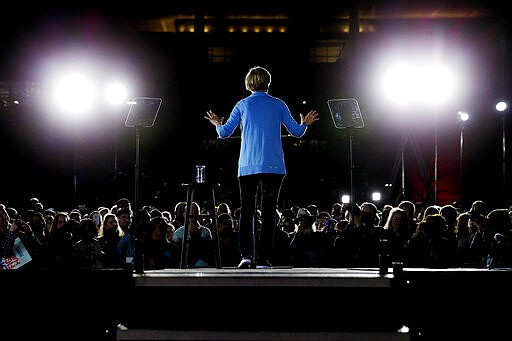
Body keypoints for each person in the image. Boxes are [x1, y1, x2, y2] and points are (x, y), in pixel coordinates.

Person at [205, 65, 319, 268]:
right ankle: (264, 258)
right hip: (274, 166)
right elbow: (297, 132)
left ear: (248, 83)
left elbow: (224, 133)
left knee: (247, 212)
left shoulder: (242, 104)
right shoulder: (278, 104)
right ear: (268, 82)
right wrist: (306, 123)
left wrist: (216, 124)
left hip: (248, 166)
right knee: (268, 213)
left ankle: (246, 256)